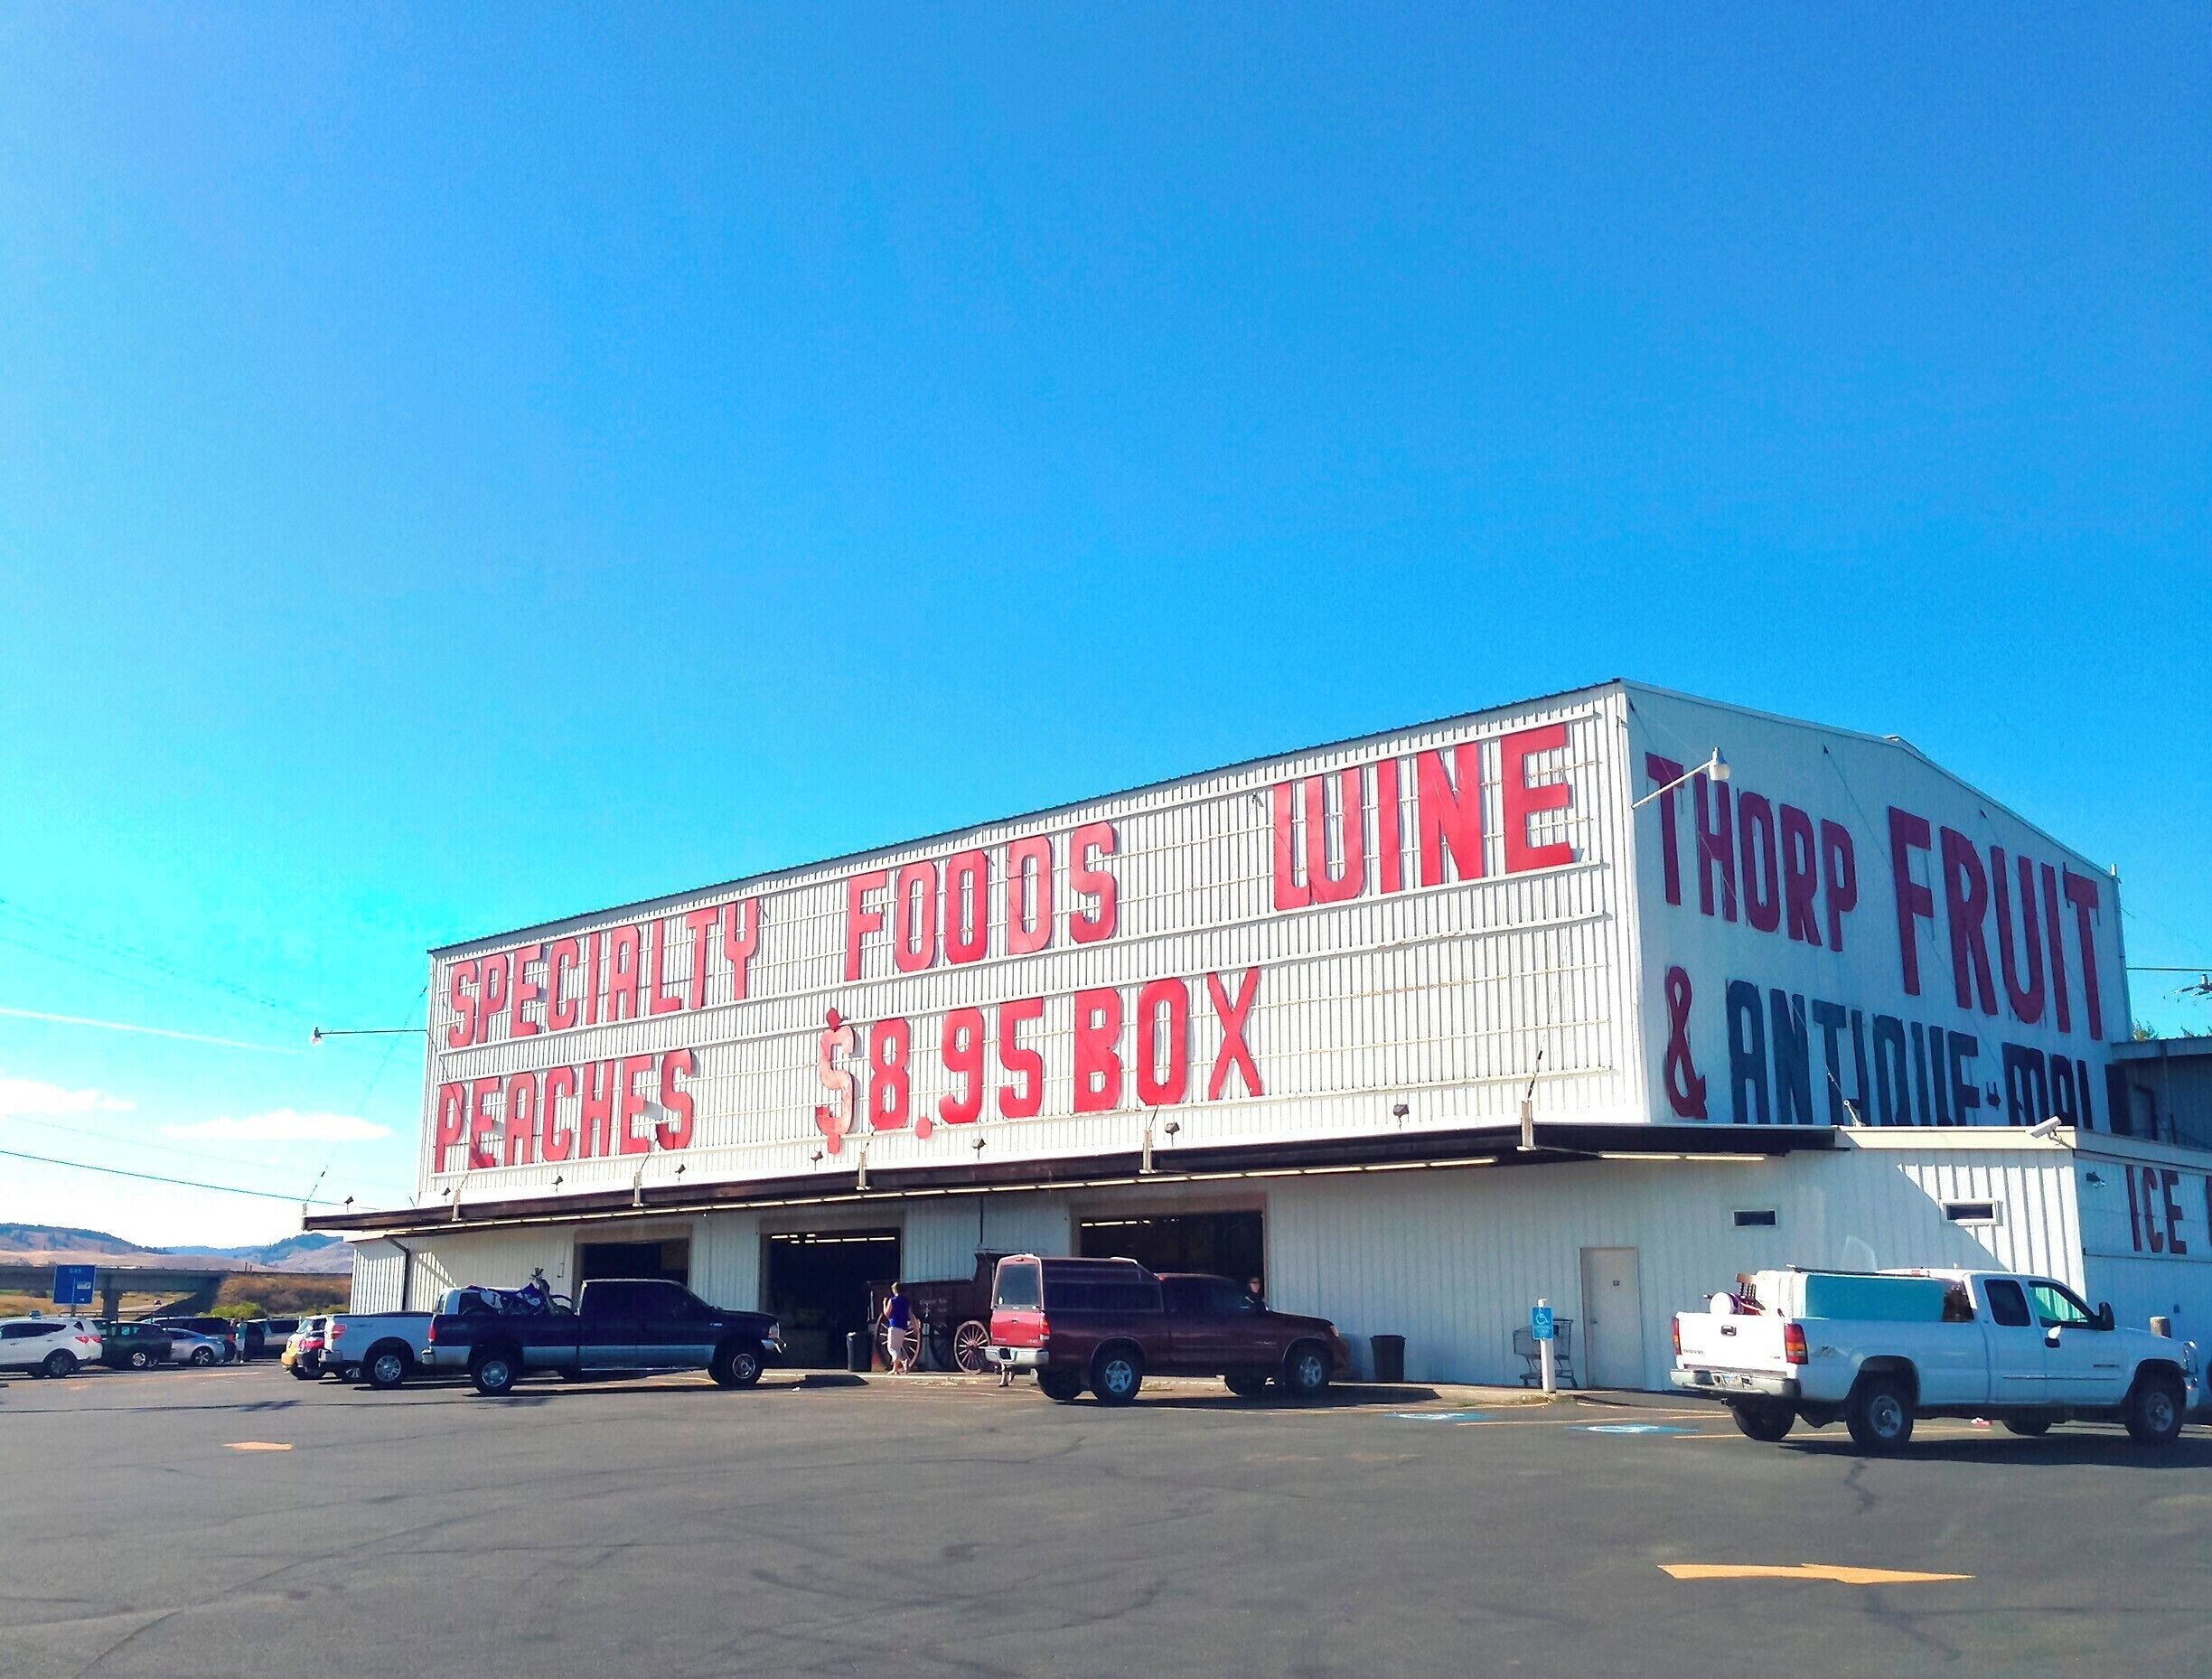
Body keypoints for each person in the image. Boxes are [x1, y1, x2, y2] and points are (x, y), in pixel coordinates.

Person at [879, 1284, 914, 1374]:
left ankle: (903, 1361)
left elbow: (887, 1314)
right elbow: (910, 1315)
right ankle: (895, 1369)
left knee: (891, 1348)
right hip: (903, 1327)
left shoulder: (892, 1300)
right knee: (897, 1348)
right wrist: (914, 1327)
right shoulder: (906, 1302)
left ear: (894, 1290)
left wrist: (884, 1304)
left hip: (894, 1325)